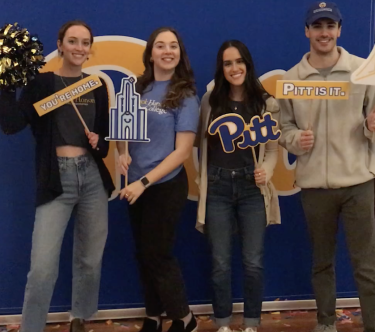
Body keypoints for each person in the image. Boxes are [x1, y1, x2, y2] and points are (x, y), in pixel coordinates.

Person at [0, 20, 115, 332]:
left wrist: (99, 142)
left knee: (90, 261)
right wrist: (4, 84)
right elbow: (12, 125)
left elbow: (104, 145)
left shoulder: (97, 86)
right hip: (56, 179)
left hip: (92, 179)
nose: (79, 48)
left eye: (84, 42)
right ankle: (32, 327)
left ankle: (80, 317)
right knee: (42, 268)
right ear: (60, 44)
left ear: (90, 49)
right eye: (73, 41)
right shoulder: (42, 84)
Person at [279, 1, 375, 332]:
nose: (324, 33)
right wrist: (294, 141)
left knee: (366, 265)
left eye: (330, 26)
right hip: (314, 188)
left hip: (359, 183)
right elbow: (284, 129)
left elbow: (371, 123)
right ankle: (325, 323)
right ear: (307, 31)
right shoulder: (291, 79)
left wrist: (370, 127)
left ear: (339, 30)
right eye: (317, 26)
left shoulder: (364, 71)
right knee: (322, 262)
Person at [117, 27, 199, 332]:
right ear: (150, 53)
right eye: (161, 46)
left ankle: (185, 318)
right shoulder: (137, 88)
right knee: (143, 254)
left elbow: (182, 152)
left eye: (173, 46)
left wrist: (145, 182)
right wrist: (121, 151)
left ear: (179, 53)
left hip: (163, 186)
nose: (168, 51)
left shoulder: (186, 95)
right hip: (135, 186)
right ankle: (153, 315)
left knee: (158, 254)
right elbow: (123, 132)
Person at [195, 40, 281, 332]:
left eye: (239, 61)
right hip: (217, 186)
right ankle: (222, 324)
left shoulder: (265, 102)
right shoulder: (210, 101)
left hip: (251, 189)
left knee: (253, 262)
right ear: (221, 68)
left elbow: (272, 150)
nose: (234, 68)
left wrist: (266, 172)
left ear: (248, 64)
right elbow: (197, 144)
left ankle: (251, 324)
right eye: (228, 63)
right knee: (220, 263)